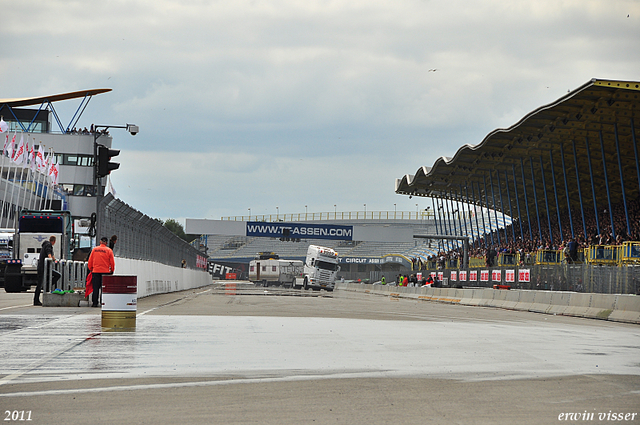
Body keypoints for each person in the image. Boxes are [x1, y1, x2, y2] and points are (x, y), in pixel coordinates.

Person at [88, 237, 115, 308]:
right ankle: (103, 302)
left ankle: (95, 303)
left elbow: (90, 261)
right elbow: (112, 262)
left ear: (100, 242)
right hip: (105, 272)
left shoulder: (94, 250)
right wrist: (112, 270)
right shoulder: (109, 250)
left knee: (95, 288)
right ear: (106, 243)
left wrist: (91, 269)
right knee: (104, 288)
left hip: (95, 271)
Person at [34, 236, 56, 306]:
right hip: (43, 267)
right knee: (39, 284)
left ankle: (46, 287)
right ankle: (36, 300)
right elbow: (49, 254)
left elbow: (52, 256)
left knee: (40, 284)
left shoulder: (46, 245)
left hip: (43, 267)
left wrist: (54, 259)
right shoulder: (48, 245)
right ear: (54, 241)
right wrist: (51, 259)